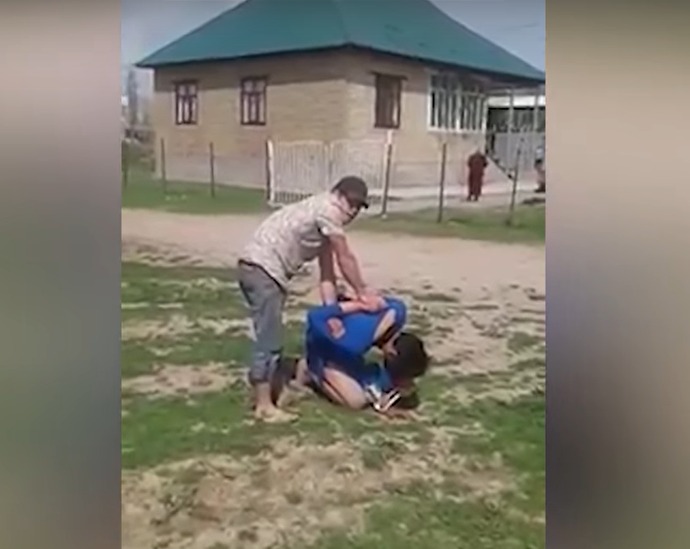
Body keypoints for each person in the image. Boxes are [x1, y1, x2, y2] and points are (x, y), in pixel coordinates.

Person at [238, 176, 385, 422]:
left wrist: (332, 313)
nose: (353, 211)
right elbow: (345, 257)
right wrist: (362, 292)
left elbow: (328, 273)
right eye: (350, 203)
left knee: (271, 334)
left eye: (359, 207)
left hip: (263, 269)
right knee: (269, 338)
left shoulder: (323, 221)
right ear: (337, 195)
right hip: (262, 268)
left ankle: (276, 389)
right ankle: (263, 406)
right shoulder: (328, 211)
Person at [272, 295, 429, 416]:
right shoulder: (353, 342)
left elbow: (396, 306)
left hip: (347, 354)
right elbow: (314, 316)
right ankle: (310, 371)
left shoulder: (396, 314)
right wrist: (354, 306)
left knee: (367, 387)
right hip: (324, 354)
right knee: (355, 401)